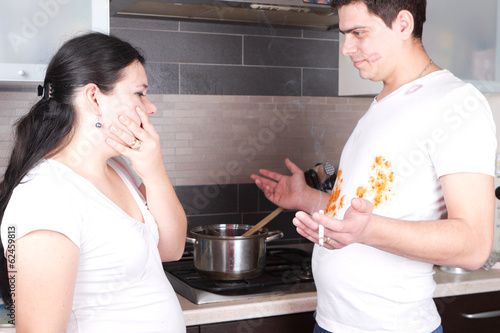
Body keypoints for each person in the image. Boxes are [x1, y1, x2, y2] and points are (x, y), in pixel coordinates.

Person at [252, 1, 497, 332]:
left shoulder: (456, 103)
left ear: (403, 24)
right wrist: (310, 199)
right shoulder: (384, 102)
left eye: (358, 33)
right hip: (330, 323)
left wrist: (367, 231)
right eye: (344, 34)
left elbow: (473, 245)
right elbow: (370, 212)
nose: (346, 48)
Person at [0, 33, 187, 332]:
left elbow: (171, 249)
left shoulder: (120, 169)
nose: (150, 108)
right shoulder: (45, 196)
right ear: (94, 98)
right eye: (139, 93)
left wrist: (154, 171)